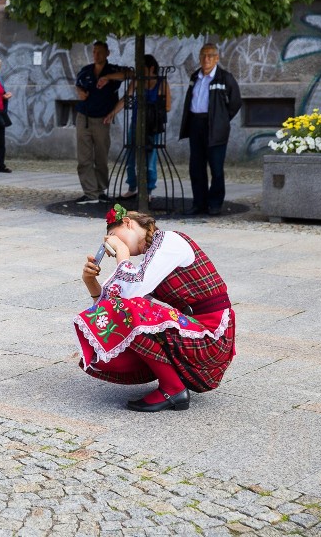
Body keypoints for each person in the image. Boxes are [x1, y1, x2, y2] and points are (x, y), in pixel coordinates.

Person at [74, 204, 235, 412]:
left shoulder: (171, 240)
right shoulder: (150, 261)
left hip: (212, 336)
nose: (110, 245)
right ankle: (172, 384)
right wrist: (90, 282)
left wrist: (122, 254)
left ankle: (173, 389)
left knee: (133, 309)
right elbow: (111, 307)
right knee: (124, 311)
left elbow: (133, 293)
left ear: (127, 223)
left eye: (113, 235)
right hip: (196, 333)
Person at [179, 43, 242, 216]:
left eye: (210, 56)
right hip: (196, 124)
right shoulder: (195, 76)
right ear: (199, 58)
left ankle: (215, 204)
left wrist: (221, 119)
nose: (206, 59)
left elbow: (236, 102)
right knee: (196, 167)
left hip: (215, 128)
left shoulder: (224, 78)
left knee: (216, 168)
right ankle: (199, 203)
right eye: (203, 55)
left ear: (217, 58)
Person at [103, 54, 171, 199]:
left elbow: (168, 106)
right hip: (135, 123)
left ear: (151, 68)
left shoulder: (161, 83)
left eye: (142, 67)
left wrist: (152, 107)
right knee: (130, 156)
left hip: (153, 126)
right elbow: (126, 98)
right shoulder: (137, 81)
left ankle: (148, 190)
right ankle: (132, 187)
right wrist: (112, 113)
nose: (139, 70)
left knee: (150, 159)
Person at [74, 41, 122, 205]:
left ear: (107, 53)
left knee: (101, 156)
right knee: (84, 157)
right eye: (94, 52)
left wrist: (108, 78)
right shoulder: (86, 70)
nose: (96, 55)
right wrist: (80, 93)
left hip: (102, 119)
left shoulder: (113, 70)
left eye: (100, 52)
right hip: (84, 117)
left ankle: (100, 190)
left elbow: (130, 75)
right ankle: (90, 192)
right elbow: (78, 86)